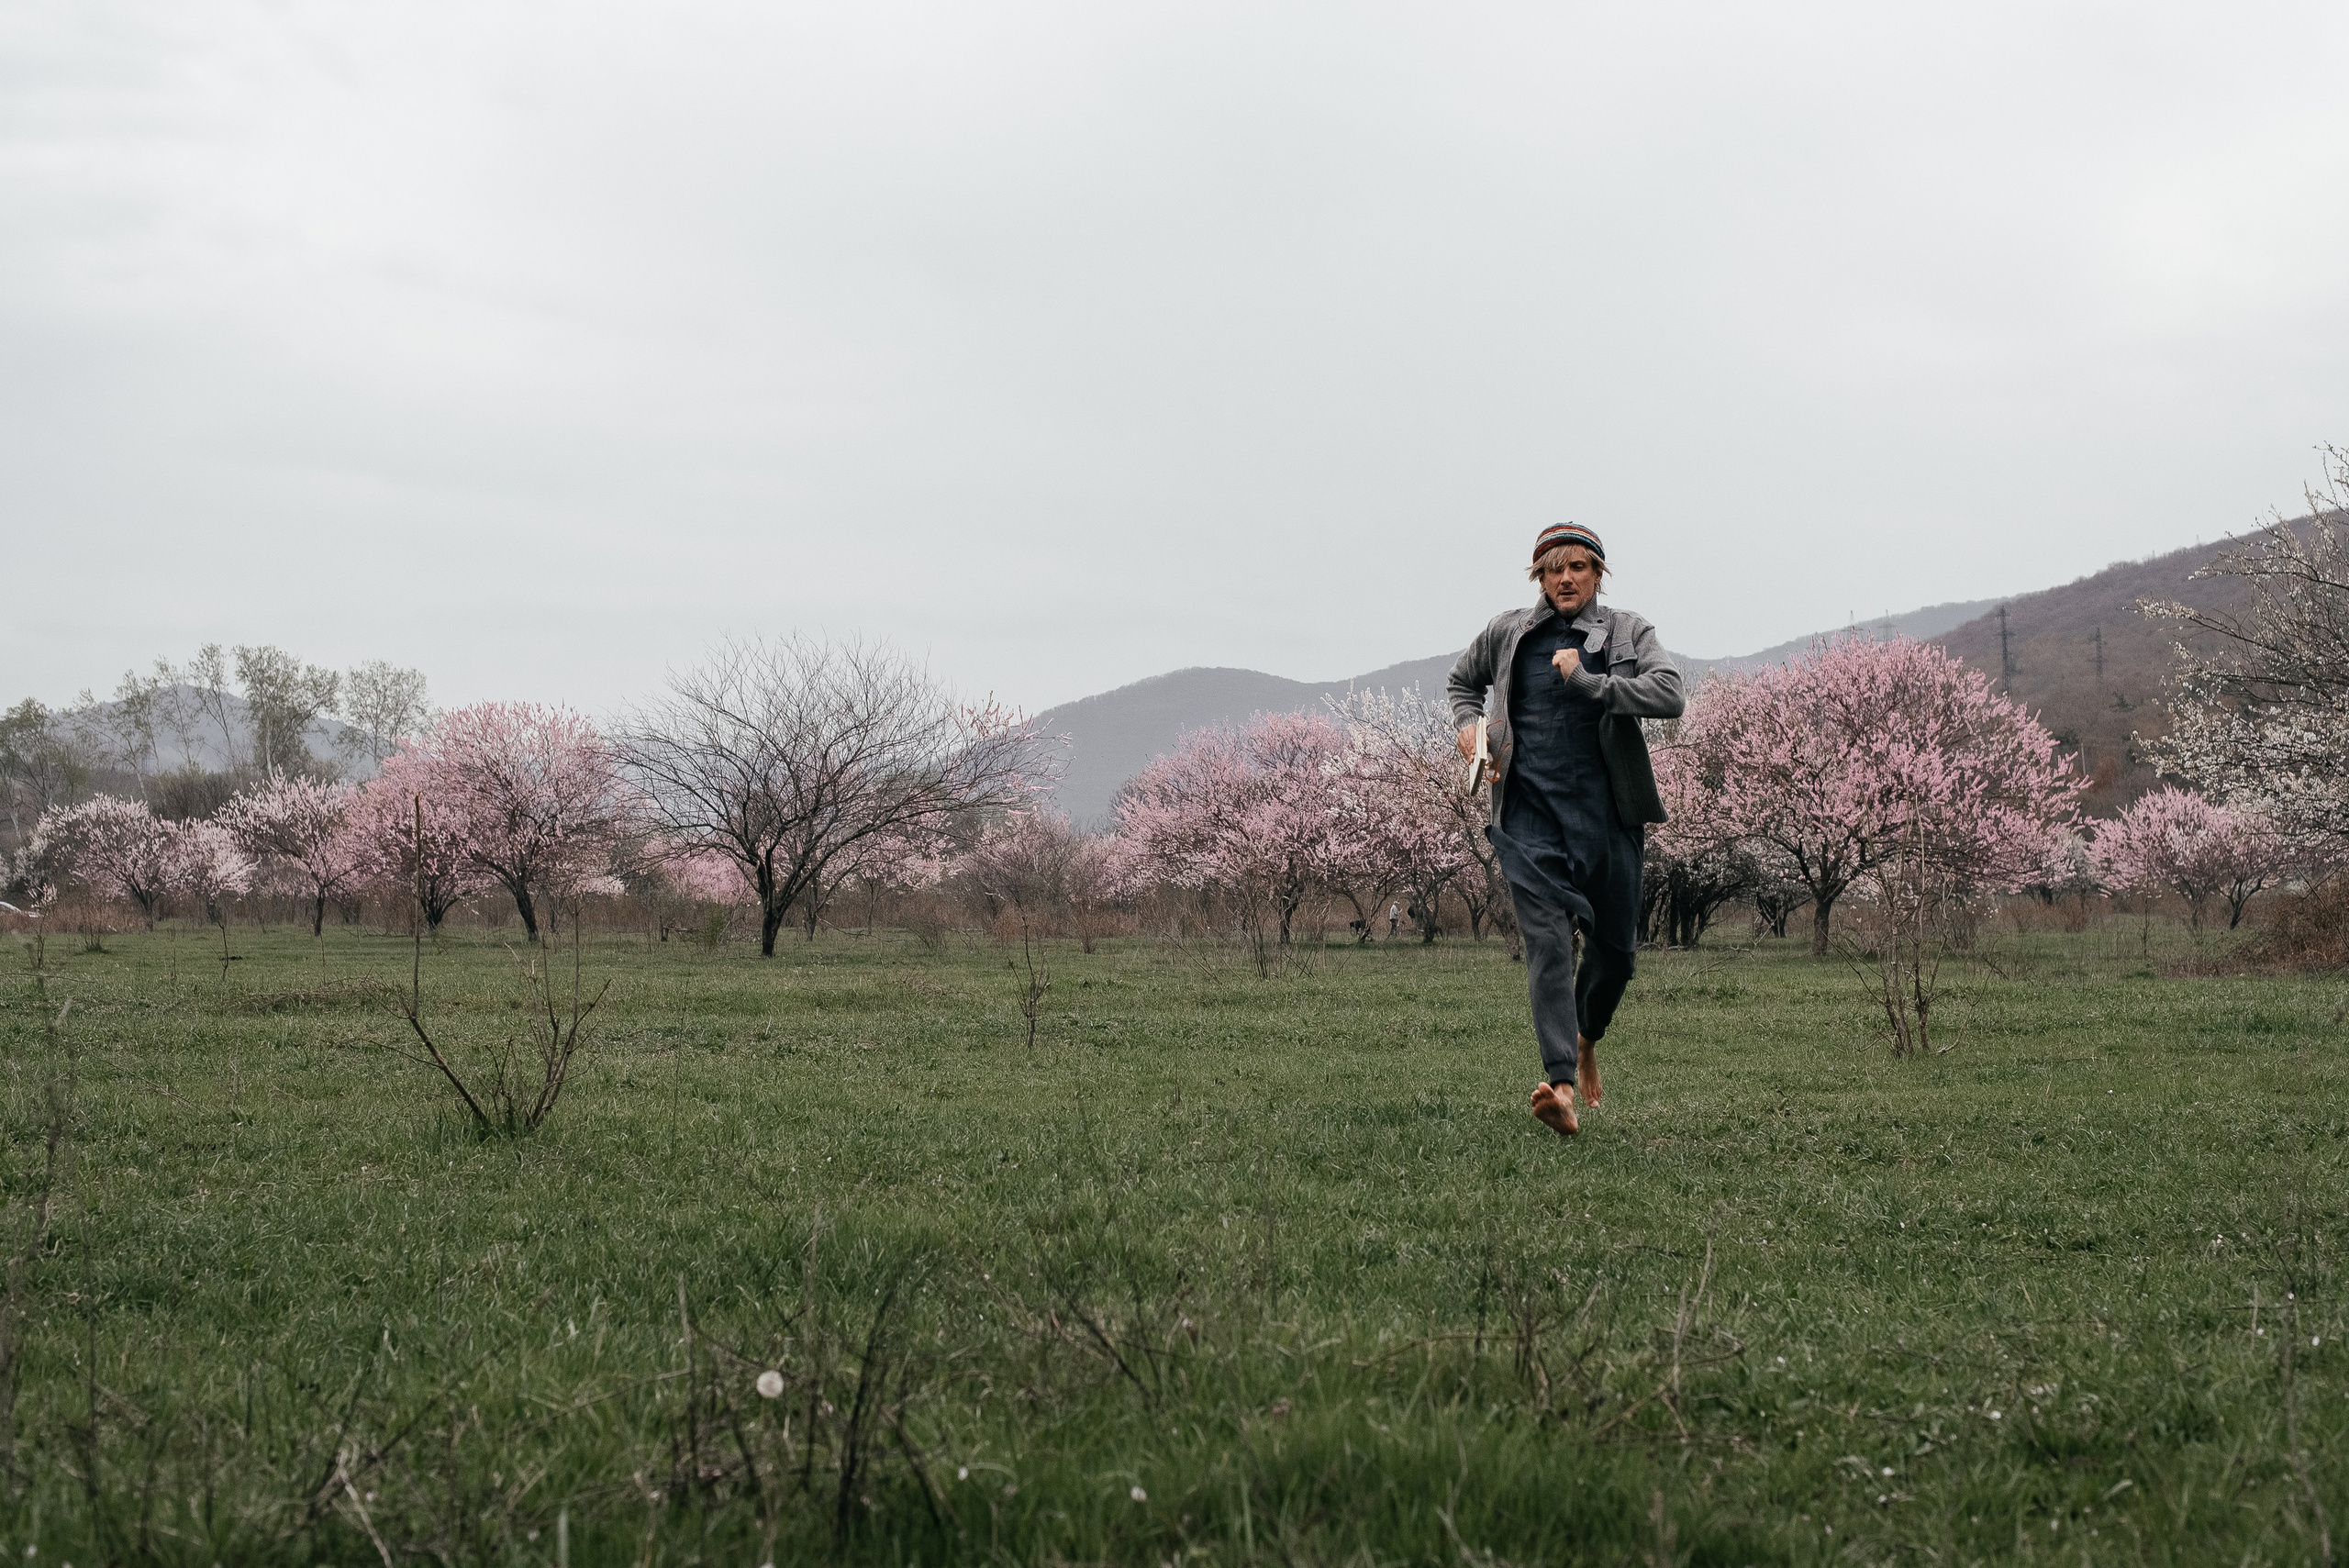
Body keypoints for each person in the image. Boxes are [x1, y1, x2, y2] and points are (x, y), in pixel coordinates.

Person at [1446, 523, 1684, 1136]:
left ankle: (1585, 1037)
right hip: (1528, 816)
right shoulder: (1508, 632)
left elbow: (1669, 694)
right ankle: (1558, 1085)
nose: (1566, 578)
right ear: (1539, 578)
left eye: (1578, 567)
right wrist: (1469, 726)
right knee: (1549, 943)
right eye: (1555, 569)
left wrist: (1587, 682)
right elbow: (1462, 682)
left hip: (1608, 817)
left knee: (1617, 958)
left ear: (1597, 573)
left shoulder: (1629, 630)